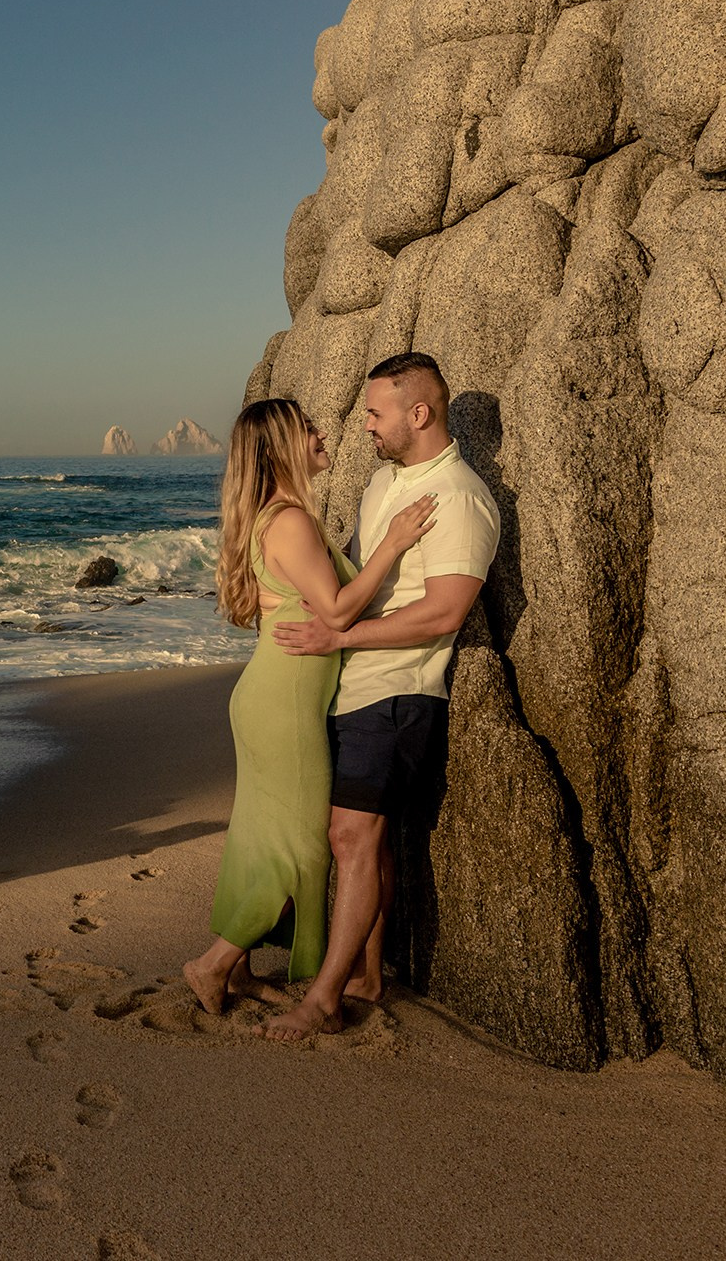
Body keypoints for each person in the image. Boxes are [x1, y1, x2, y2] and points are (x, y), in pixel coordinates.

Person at [260, 351, 499, 1040]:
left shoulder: (460, 495)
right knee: (367, 841)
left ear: (417, 413)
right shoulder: (383, 484)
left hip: (399, 692)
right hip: (351, 686)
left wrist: (341, 640)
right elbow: (357, 575)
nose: (363, 424)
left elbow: (445, 612)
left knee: (351, 834)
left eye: (374, 411)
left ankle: (324, 997)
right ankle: (366, 973)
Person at [181, 397, 435, 1015]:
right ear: (279, 448)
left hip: (276, 695)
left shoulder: (284, 517)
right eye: (307, 429)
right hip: (284, 704)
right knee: (299, 846)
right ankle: (212, 963)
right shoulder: (288, 520)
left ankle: (235, 969)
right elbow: (339, 611)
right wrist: (395, 543)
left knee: (261, 837)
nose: (323, 434)